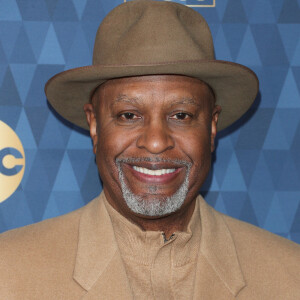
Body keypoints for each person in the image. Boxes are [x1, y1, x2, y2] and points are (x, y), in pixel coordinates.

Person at [0, 0, 299, 299]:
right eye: (129, 115)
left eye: (181, 115)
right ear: (94, 125)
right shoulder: (9, 271)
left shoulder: (290, 275)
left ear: (211, 127)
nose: (156, 142)